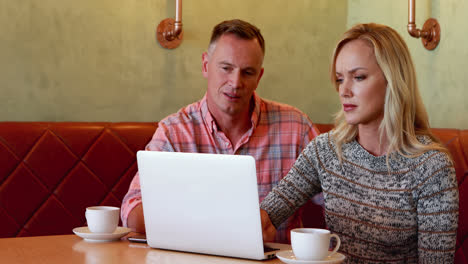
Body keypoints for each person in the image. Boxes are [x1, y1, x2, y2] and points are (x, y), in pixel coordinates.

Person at [260, 23, 459, 263]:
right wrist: (255, 226)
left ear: (392, 80)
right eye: (339, 78)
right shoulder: (325, 150)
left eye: (359, 77)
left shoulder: (431, 166)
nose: (344, 90)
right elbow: (267, 215)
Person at [121, 19, 320, 243]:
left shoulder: (296, 127)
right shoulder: (173, 132)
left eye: (247, 72)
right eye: (226, 68)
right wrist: (216, 224)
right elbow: (133, 213)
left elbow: (337, 195)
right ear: (206, 65)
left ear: (259, 77)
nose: (235, 82)